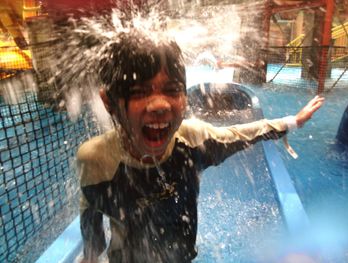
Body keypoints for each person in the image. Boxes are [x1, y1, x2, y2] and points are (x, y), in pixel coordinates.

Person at [77, 30, 324, 263]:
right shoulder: (98, 159)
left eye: (172, 90)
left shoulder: (193, 141)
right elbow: (90, 216)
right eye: (140, 92)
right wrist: (90, 255)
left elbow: (240, 133)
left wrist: (292, 121)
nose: (159, 105)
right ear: (109, 102)